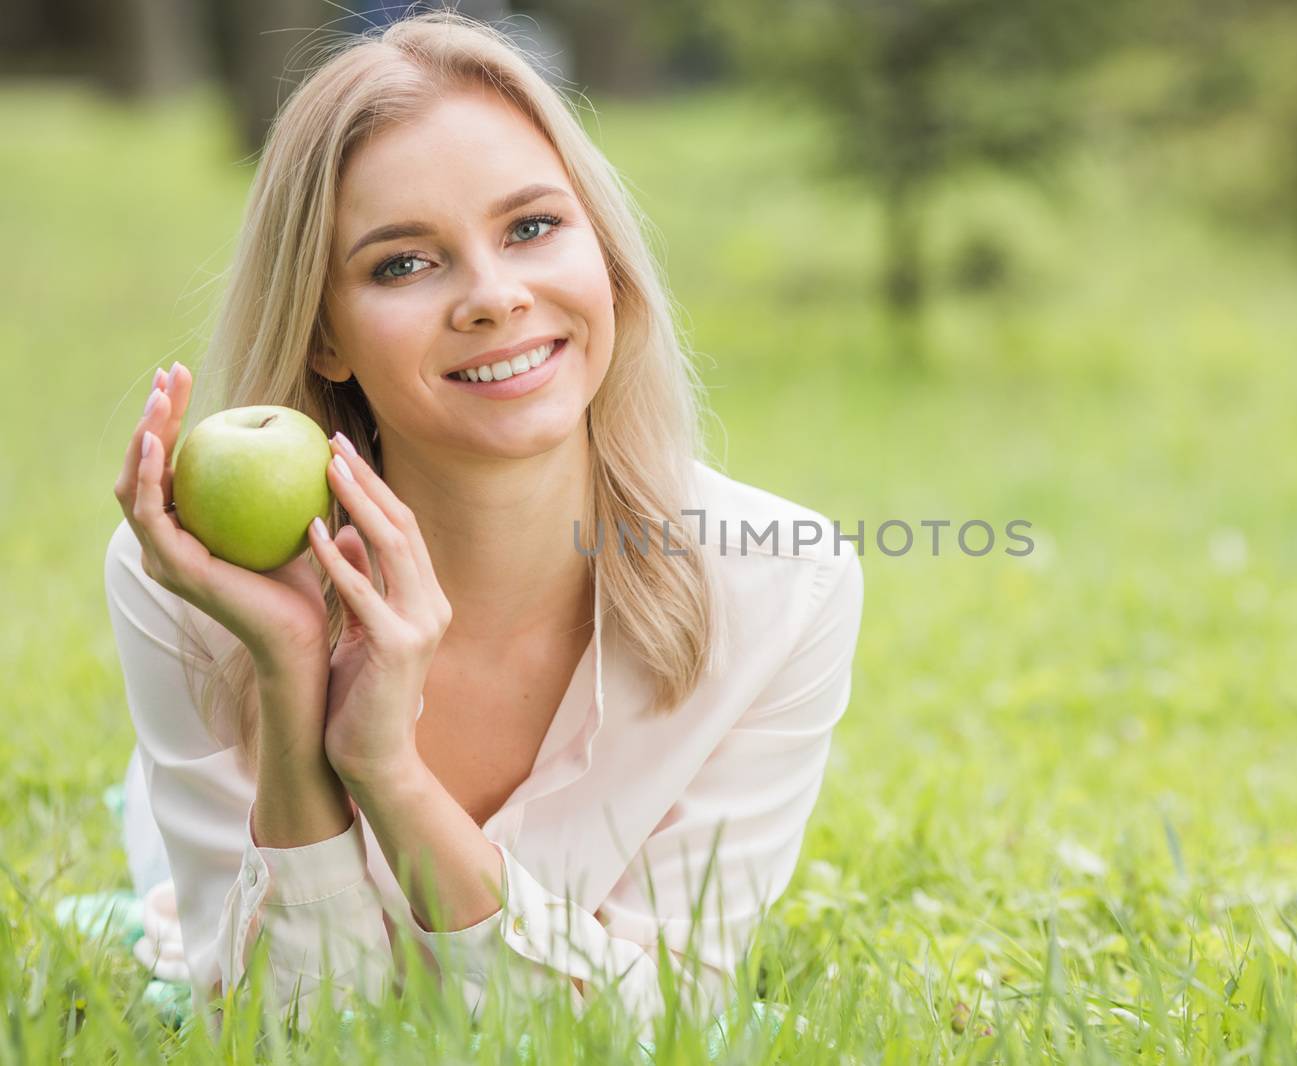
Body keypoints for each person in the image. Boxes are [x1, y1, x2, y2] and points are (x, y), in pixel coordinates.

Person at [103, 10, 864, 1037]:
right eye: (402, 264)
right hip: (203, 817)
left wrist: (388, 776)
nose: (495, 298)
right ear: (324, 335)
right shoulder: (196, 583)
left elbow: (658, 1027)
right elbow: (293, 1035)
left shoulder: (782, 586)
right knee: (161, 880)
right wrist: (290, 690)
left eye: (532, 227)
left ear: (606, 257)